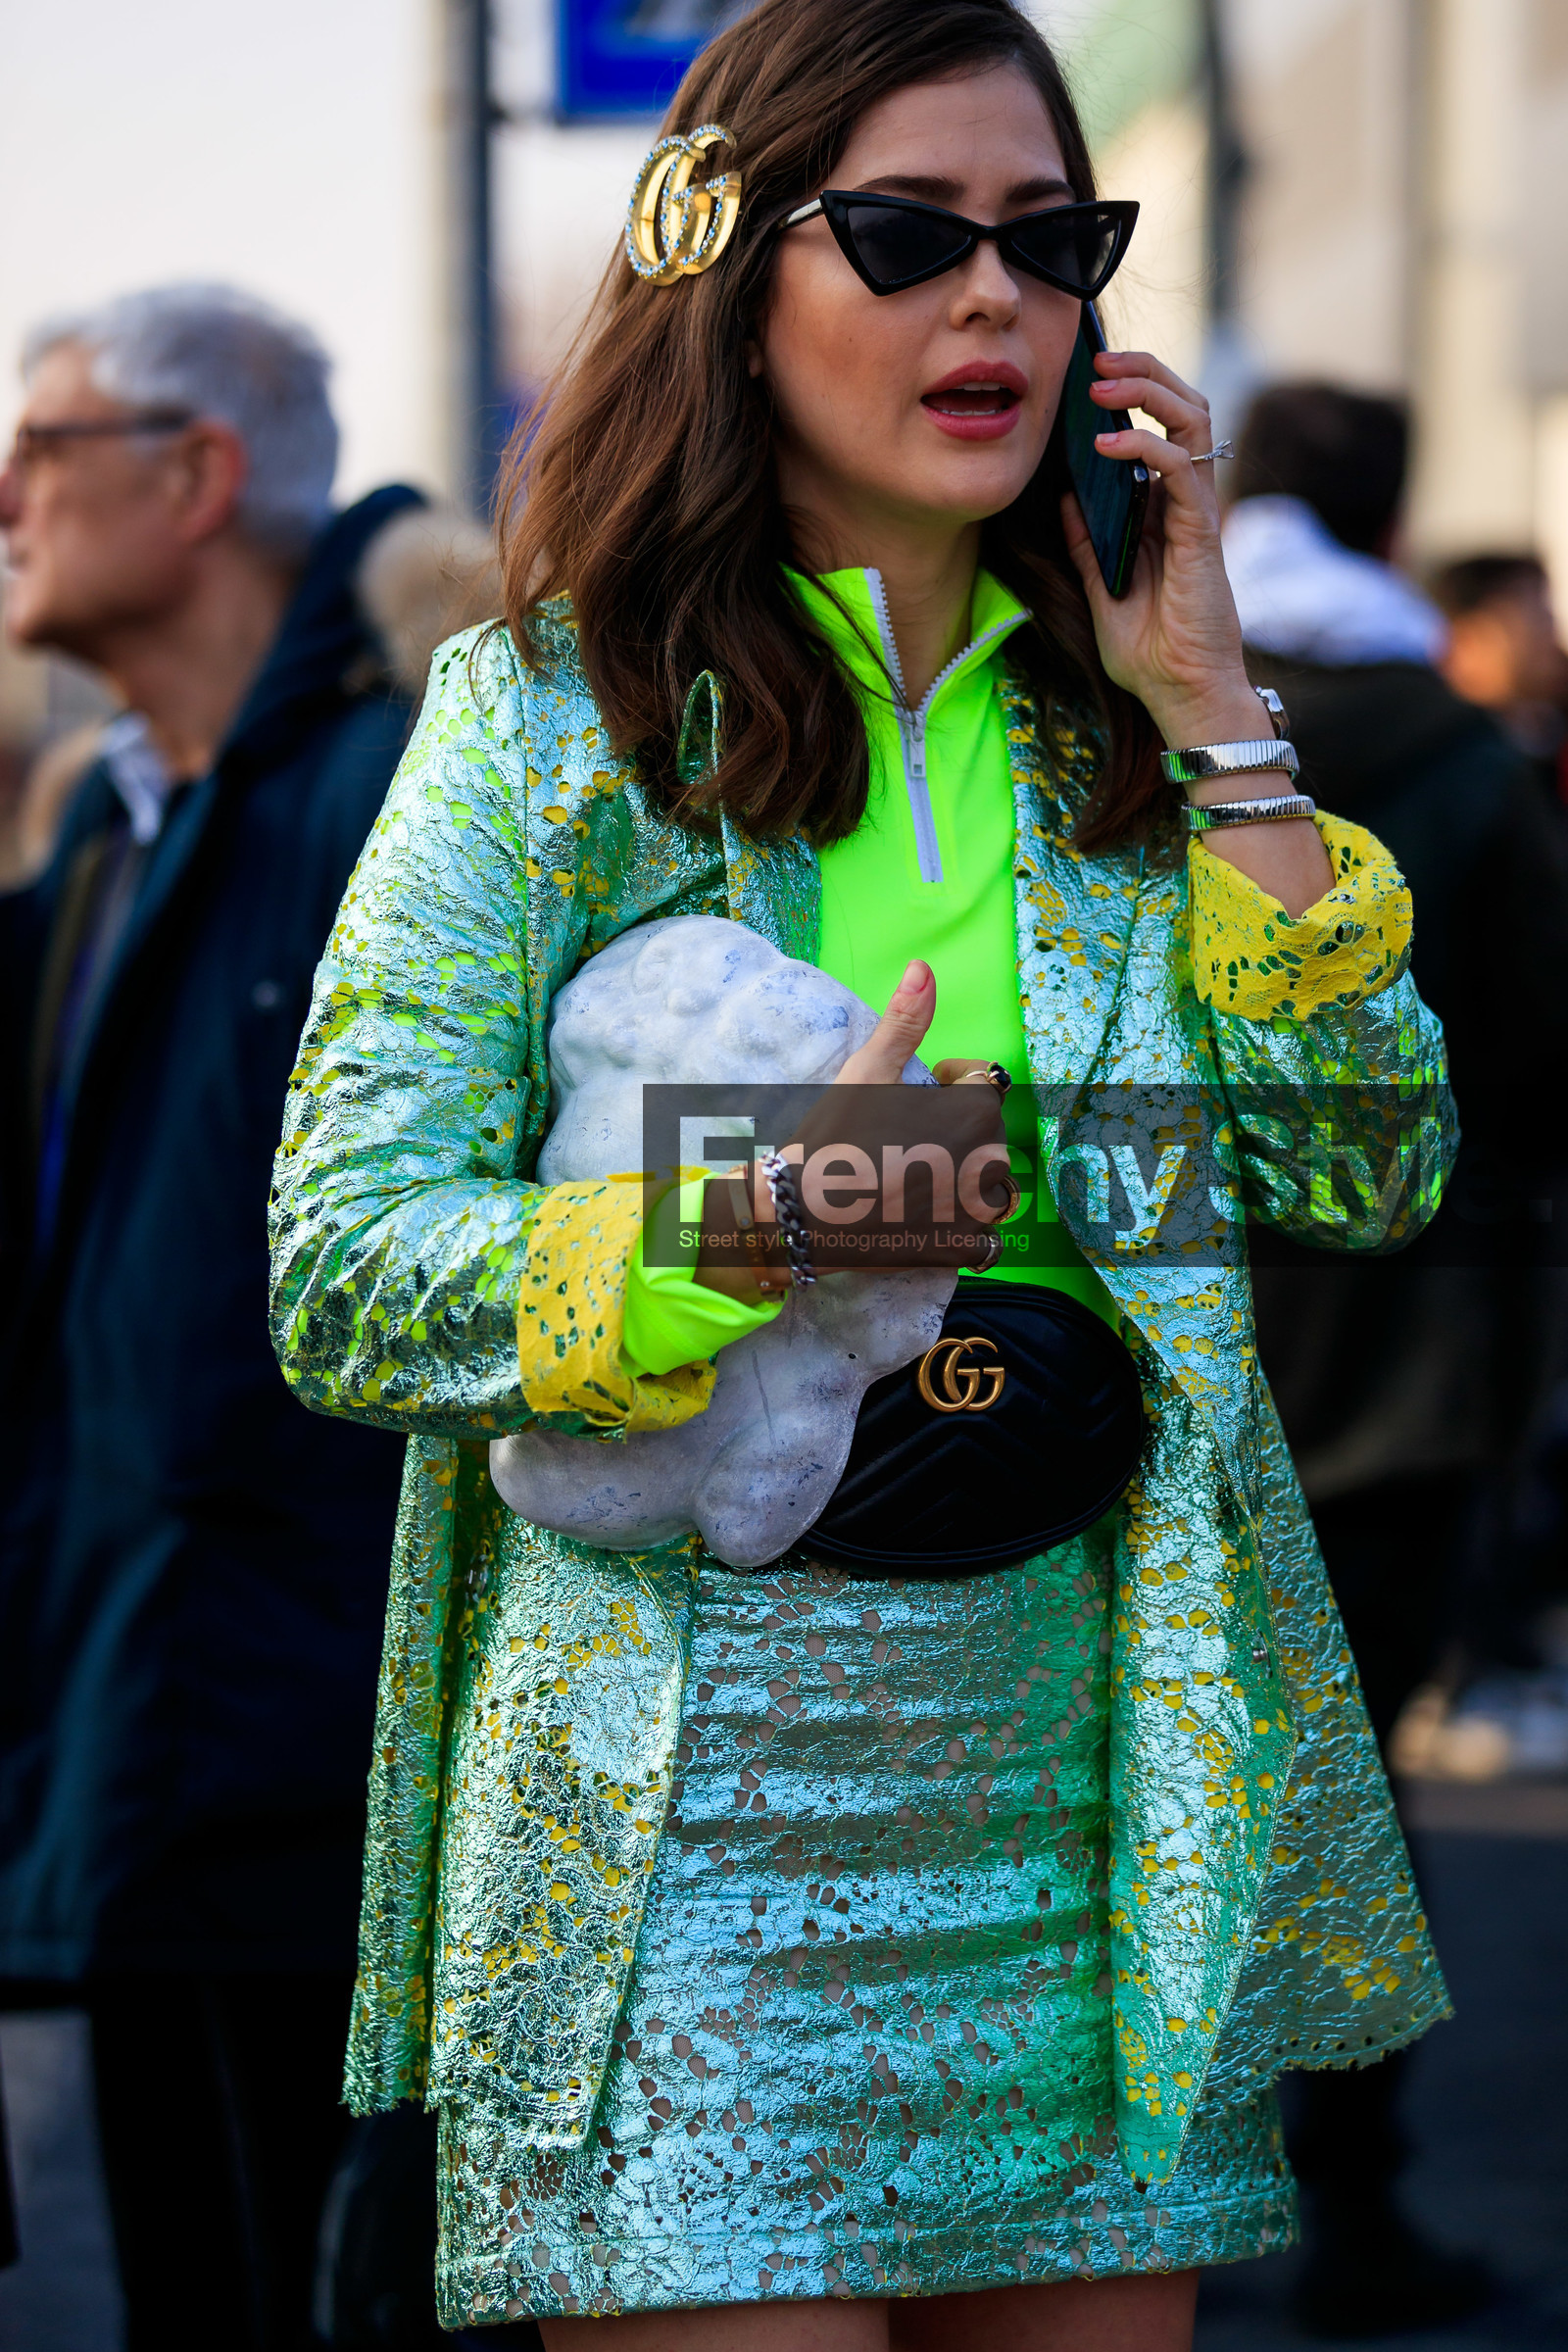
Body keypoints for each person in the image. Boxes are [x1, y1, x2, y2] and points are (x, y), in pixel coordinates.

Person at [270, 7, 1454, 2345]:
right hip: (676, 1804)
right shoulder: (548, 717)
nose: (993, 302)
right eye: (910, 235)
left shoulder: (1126, 737)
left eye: (1051, 241)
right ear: (720, 260)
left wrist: (1219, 711)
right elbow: (340, 1267)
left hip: (1101, 1769)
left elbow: (1364, 1166)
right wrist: (756, 1224)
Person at [0, 284, 493, 2351]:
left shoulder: (392, 788)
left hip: (329, 1766)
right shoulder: (118, 829)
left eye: (44, 446)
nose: (7, 495)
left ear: (197, 477)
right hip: (144, 1735)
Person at [1226, 382, 1568, 2332]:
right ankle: (1347, 2206)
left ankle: (1142, 2205)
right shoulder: (1439, 744)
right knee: (1342, 1784)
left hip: (1158, 1329)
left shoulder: (1113, 709)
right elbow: (1530, 1041)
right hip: (1401, 1356)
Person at [1430, 550, 1568, 809]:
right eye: (1533, 614)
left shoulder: (1549, 740)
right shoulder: (1441, 763)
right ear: (1466, 638)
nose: (1550, 632)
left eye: (1548, 613)